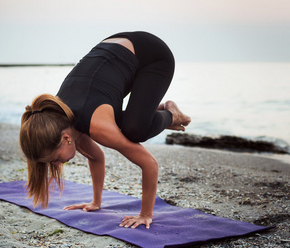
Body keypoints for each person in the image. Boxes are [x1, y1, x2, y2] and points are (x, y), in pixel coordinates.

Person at [19, 31, 191, 229]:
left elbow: (149, 164)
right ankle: (151, 114)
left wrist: (145, 214)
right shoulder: (62, 122)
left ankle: (171, 114)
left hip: (151, 54)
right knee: (119, 120)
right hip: (114, 48)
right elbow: (96, 157)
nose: (57, 165)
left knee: (135, 131)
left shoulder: (97, 126)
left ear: (66, 138)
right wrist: (96, 203)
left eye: (54, 159)